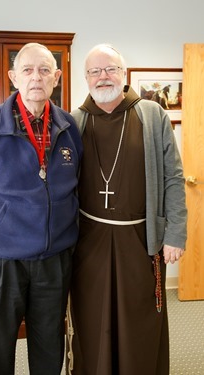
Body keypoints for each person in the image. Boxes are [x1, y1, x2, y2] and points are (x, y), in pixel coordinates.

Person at [0, 42, 82, 375]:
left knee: (49, 347)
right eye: (27, 70)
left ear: (56, 77)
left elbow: (76, 183)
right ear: (13, 77)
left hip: (54, 261)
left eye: (43, 70)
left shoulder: (69, 128)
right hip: (1, 261)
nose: (35, 78)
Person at [68, 44, 187, 375]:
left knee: (140, 321)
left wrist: (175, 233)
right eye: (95, 71)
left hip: (140, 239)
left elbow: (174, 178)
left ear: (123, 73)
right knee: (92, 320)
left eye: (110, 69)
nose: (103, 77)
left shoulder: (152, 115)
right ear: (86, 77)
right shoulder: (75, 121)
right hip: (88, 241)